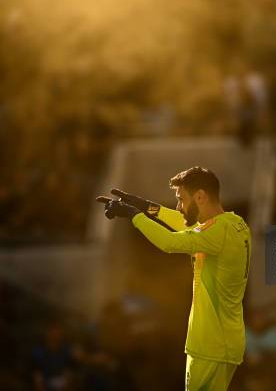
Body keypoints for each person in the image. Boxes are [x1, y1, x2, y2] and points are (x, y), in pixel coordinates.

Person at [96, 166, 251, 391]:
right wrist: (146, 207)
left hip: (209, 344)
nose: (178, 206)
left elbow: (170, 242)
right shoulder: (234, 224)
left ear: (200, 196)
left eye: (181, 199)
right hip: (227, 343)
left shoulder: (216, 233)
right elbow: (187, 225)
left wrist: (133, 216)